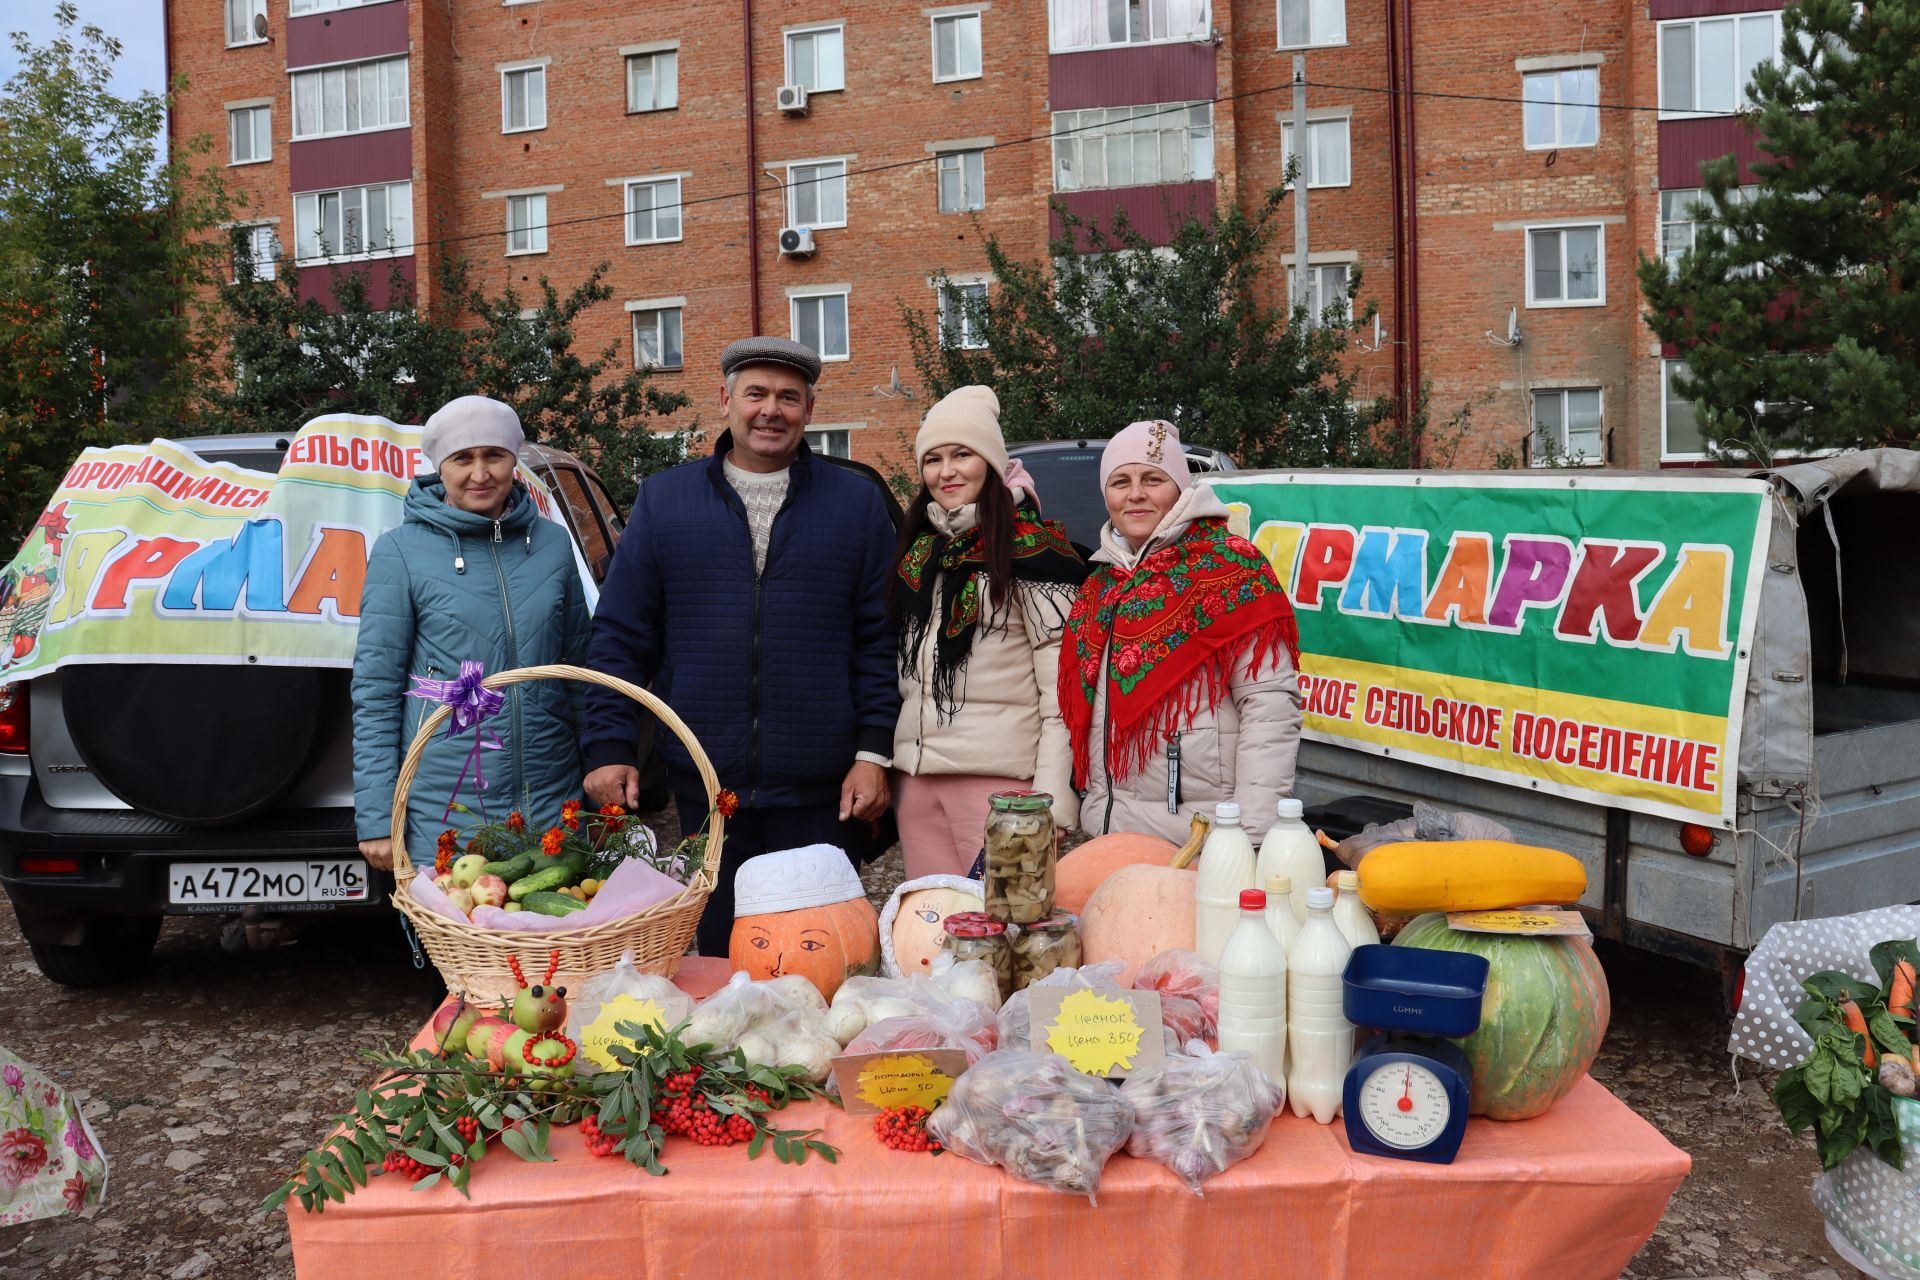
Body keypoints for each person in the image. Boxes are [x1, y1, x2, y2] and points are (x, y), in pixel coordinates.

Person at [581, 336, 899, 955]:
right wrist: (610, 745)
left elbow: (877, 641)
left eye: (788, 397)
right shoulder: (665, 500)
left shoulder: (854, 503)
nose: (770, 410)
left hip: (821, 789)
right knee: (724, 958)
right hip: (707, 785)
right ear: (725, 401)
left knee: (819, 955)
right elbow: (621, 635)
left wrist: (874, 752)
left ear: (809, 410)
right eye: (755, 393)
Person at [352, 397, 592, 871]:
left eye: (494, 456)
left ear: (514, 462)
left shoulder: (551, 543)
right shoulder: (399, 551)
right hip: (447, 806)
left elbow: (580, 669)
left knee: (558, 942)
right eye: (463, 458)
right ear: (440, 467)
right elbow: (376, 691)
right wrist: (378, 817)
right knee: (460, 945)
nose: (480, 473)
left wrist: (601, 763)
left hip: (550, 798)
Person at [1060, 419, 1303, 845]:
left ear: (1180, 489)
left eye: (1152, 479)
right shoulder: (1101, 584)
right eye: (1120, 481)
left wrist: (1253, 838)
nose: (1135, 494)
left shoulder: (1232, 569)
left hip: (1200, 836)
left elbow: (1269, 709)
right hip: (1106, 828)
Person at [890, 386, 1086, 878]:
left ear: (993, 463)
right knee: (930, 938)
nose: (947, 471)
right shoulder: (920, 550)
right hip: (918, 783)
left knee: (1005, 942)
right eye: (932, 459)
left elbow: (1061, 687)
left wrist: (1051, 796)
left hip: (1002, 791)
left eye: (963, 454)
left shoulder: (1033, 550)